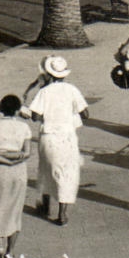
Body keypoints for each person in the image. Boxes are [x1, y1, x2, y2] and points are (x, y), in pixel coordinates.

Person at [28, 54, 89, 226]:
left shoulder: (44, 92)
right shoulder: (72, 90)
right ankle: (62, 213)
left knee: (46, 169)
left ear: (49, 74)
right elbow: (85, 113)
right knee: (68, 174)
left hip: (48, 136)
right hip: (67, 136)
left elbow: (34, 115)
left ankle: (46, 204)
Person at [0, 94, 34, 258]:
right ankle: (10, 250)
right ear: (17, 110)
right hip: (18, 171)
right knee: (15, 210)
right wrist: (15, 158)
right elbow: (27, 153)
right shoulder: (24, 128)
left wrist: (3, 157)